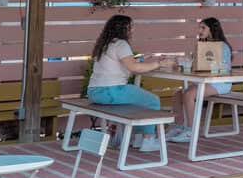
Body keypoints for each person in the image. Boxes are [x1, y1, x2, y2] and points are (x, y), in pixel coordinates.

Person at [86, 15, 168, 152]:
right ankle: (147, 140)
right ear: (124, 29)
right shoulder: (121, 44)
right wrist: (159, 64)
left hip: (94, 93)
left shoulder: (105, 44)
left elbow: (122, 63)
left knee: (137, 102)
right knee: (153, 101)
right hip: (112, 91)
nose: (133, 30)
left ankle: (137, 139)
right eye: (131, 27)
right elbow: (134, 68)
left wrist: (141, 58)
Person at [167, 18, 233, 144]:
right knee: (176, 96)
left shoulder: (222, 46)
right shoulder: (201, 44)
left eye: (203, 28)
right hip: (203, 82)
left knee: (188, 94)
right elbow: (195, 65)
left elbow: (221, 68)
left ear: (212, 29)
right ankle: (177, 127)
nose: (200, 30)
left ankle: (191, 130)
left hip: (220, 83)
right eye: (199, 27)